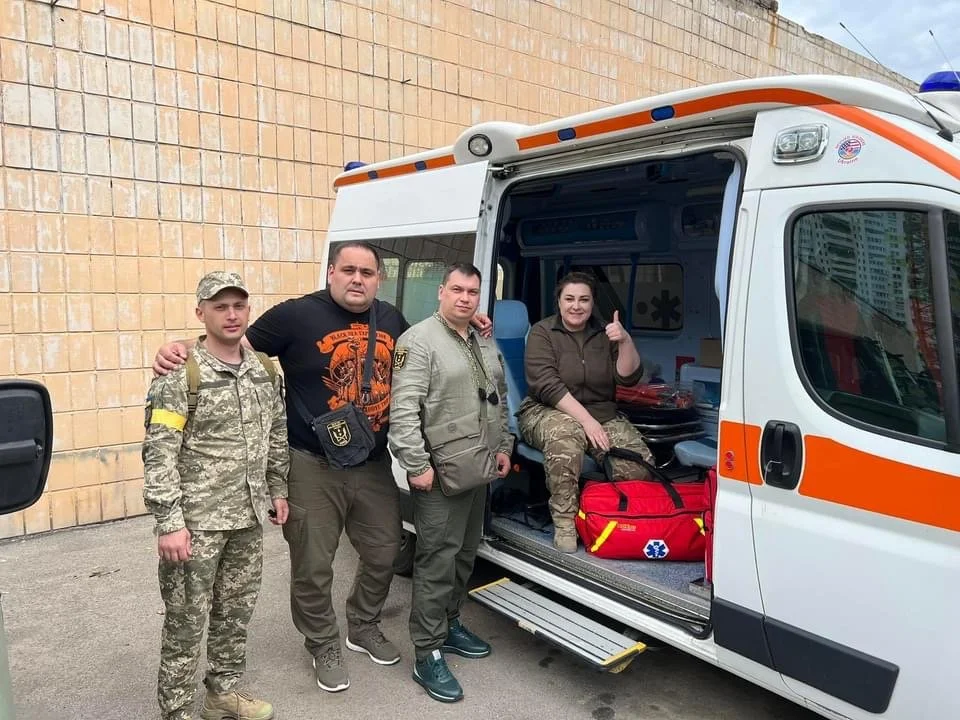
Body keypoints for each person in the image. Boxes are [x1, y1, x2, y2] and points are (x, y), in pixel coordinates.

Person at [151, 242, 492, 695]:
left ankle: (363, 624)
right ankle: (323, 642)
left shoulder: (392, 320)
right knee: (314, 565)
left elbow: (431, 346)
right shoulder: (295, 315)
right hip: (311, 463)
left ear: (379, 279)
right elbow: (229, 342)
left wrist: (469, 322)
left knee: (385, 552)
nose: (357, 279)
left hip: (372, 463)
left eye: (367, 272)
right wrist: (177, 348)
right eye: (348, 270)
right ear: (331, 273)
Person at [142, 271, 289, 720]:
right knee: (185, 622)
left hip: (247, 517)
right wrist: (169, 523)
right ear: (200, 313)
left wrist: (278, 488)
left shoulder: (264, 370)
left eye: (238, 305)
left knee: (234, 615)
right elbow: (159, 452)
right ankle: (177, 711)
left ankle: (222, 694)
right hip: (197, 524)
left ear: (248, 310)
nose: (231, 314)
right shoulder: (180, 373)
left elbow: (276, 433)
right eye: (220, 306)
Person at [388, 263, 513, 703]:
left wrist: (504, 445)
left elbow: (498, 398)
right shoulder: (418, 341)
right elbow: (403, 410)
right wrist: (416, 465)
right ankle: (426, 652)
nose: (465, 297)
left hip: (477, 467)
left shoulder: (481, 338)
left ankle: (450, 623)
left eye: (472, 292)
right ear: (441, 291)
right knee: (436, 562)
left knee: (464, 554)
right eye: (457, 289)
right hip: (440, 472)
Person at [517, 271, 655, 553]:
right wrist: (587, 422)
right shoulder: (543, 333)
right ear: (558, 301)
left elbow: (628, 377)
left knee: (640, 465)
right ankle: (565, 521)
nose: (576, 306)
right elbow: (547, 385)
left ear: (592, 303)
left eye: (584, 299)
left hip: (602, 413)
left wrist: (625, 340)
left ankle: (603, 512)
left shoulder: (605, 333)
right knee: (566, 439)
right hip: (545, 410)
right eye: (569, 299)